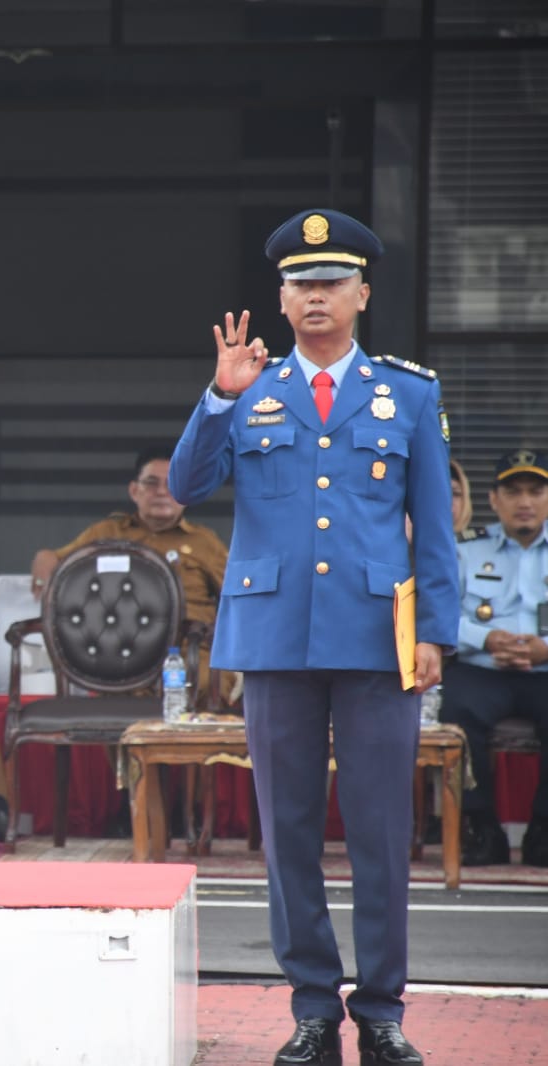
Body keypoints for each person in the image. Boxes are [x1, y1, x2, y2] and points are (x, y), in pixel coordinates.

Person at [168, 208, 457, 1066]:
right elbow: (184, 485)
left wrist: (435, 631)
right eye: (301, 284)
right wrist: (220, 393)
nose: (317, 296)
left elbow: (431, 526)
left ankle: (380, 1009)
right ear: (281, 300)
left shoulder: (408, 393)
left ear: (362, 293)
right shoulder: (248, 387)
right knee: (286, 831)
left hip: (377, 637)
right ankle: (309, 1008)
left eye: (332, 282)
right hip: (273, 638)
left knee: (377, 834)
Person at [32, 444, 234, 706]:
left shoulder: (203, 542)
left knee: (205, 679)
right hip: (120, 652)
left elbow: (235, 595)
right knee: (117, 691)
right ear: (134, 490)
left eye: (172, 483)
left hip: (187, 649)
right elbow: (51, 558)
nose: (162, 491)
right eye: (151, 483)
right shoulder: (108, 532)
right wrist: (45, 579)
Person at [440, 448, 548, 867]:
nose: (525, 502)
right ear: (493, 500)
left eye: (535, 491)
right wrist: (486, 640)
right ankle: (480, 828)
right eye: (514, 491)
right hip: (483, 667)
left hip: (544, 669)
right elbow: (438, 614)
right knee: (457, 713)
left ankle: (543, 829)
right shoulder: (465, 549)